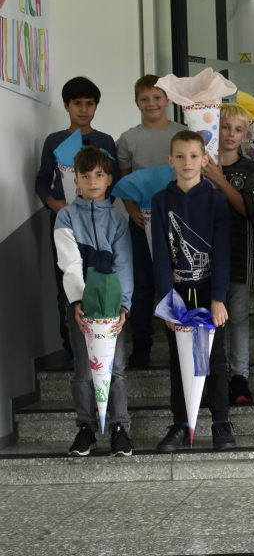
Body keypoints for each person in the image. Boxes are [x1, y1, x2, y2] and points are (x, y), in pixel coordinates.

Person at [152, 130, 234, 452]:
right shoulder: (161, 201)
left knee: (216, 359)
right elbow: (161, 254)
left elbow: (222, 252)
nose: (187, 162)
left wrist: (218, 298)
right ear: (170, 160)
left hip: (209, 293)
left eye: (194, 156)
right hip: (178, 296)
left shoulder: (216, 201)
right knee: (179, 360)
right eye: (181, 156)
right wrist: (167, 302)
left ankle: (220, 422)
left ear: (204, 160)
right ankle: (181, 423)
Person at [54, 147, 133, 457]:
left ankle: (120, 427)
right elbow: (70, 263)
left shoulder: (117, 218)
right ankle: (86, 427)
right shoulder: (66, 216)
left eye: (99, 175)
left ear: (109, 179)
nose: (92, 181)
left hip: (112, 305)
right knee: (84, 370)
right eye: (85, 176)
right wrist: (78, 302)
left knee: (116, 368)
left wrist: (123, 306)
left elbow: (124, 264)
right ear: (76, 180)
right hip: (80, 306)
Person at [36, 76, 120, 365]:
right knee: (67, 281)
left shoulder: (105, 141)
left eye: (89, 104)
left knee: (101, 275)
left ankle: (104, 341)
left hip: (99, 224)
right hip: (64, 223)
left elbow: (114, 182)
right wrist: (55, 205)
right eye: (77, 104)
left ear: (96, 106)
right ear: (66, 106)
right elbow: (42, 181)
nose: (84, 110)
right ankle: (72, 348)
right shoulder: (54, 141)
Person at [116, 75, 183, 369]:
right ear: (136, 103)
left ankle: (178, 340)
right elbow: (124, 180)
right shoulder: (128, 139)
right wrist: (130, 209)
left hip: (177, 221)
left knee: (176, 280)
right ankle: (141, 343)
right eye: (145, 99)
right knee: (142, 282)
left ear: (167, 100)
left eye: (157, 97)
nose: (151, 103)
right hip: (141, 221)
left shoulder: (181, 133)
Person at [202, 103, 254, 406]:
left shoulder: (249, 169)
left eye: (238, 129)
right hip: (205, 256)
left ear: (245, 135)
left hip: (238, 252)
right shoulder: (200, 163)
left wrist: (220, 179)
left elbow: (248, 209)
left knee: (237, 317)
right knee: (209, 317)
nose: (230, 134)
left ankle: (239, 376)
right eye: (224, 127)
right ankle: (214, 375)